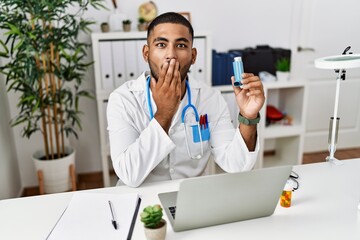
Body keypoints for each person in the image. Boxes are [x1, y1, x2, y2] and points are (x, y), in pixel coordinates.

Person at [107, 12, 265, 187]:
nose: (171, 55)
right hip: (140, 202)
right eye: (161, 44)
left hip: (192, 198)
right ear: (146, 53)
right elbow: (129, 175)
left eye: (181, 45)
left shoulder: (210, 99)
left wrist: (248, 116)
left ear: (193, 55)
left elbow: (236, 165)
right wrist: (164, 113)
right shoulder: (123, 100)